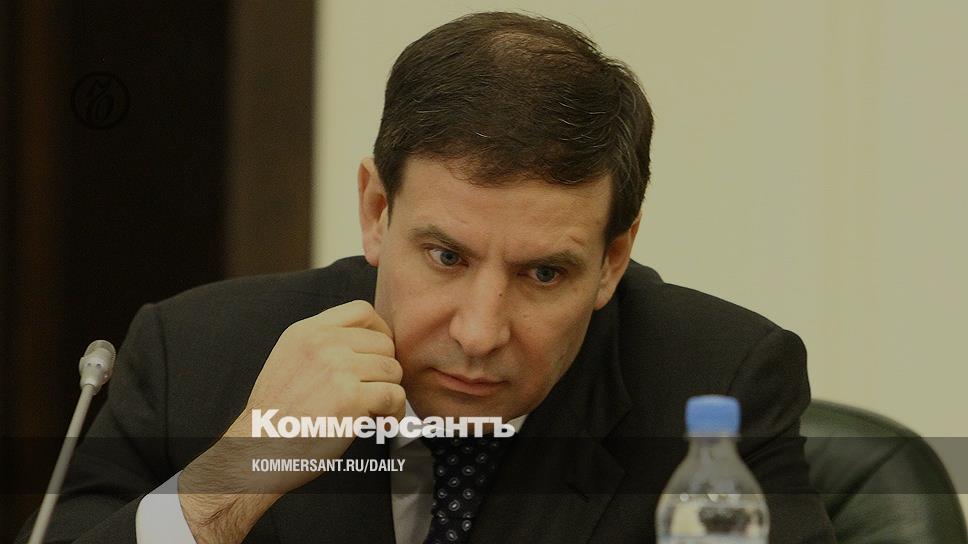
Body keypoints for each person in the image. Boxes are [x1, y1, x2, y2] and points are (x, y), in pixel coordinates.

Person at [18, 11, 836, 544]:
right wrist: (230, 481)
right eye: (447, 257)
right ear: (377, 211)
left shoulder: (719, 382)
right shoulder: (196, 356)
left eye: (544, 273)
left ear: (613, 259)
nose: (479, 332)